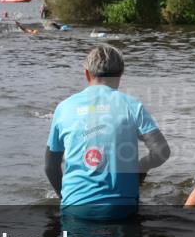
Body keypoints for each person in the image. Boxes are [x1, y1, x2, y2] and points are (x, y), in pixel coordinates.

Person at [46, 44, 171, 220]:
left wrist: (65, 198)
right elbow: (162, 151)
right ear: (120, 75)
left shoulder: (64, 107)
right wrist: (140, 169)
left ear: (87, 74)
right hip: (121, 211)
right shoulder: (132, 106)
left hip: (75, 210)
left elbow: (50, 166)